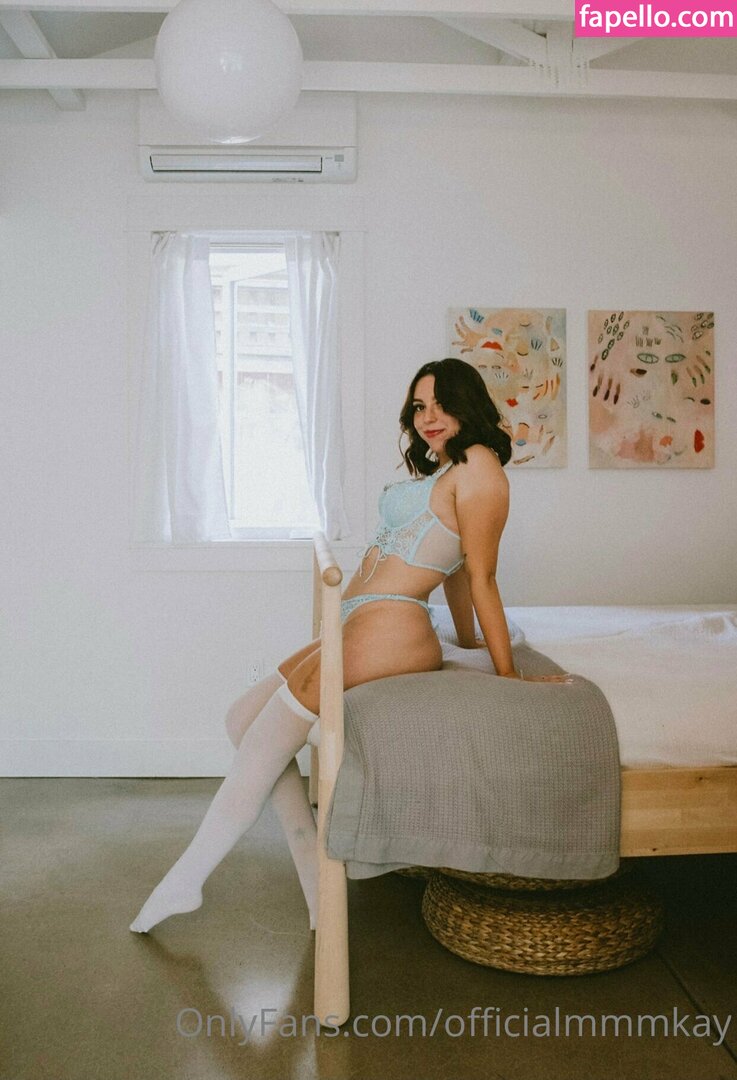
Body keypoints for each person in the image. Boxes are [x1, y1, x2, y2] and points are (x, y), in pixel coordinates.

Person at [129, 357, 571, 935]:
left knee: (263, 730)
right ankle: (316, 885)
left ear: (469, 405)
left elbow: (481, 574)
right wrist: (465, 642)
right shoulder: (449, 467)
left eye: (442, 404)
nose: (428, 417)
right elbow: (459, 571)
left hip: (394, 626)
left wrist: (504, 669)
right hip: (359, 619)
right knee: (242, 718)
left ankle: (186, 879)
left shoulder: (482, 469)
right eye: (419, 406)